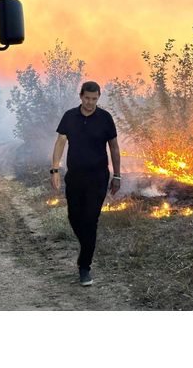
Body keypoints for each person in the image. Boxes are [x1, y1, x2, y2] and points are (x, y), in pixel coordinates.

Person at [51, 81, 121, 286]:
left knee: (91, 220)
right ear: (81, 96)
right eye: (87, 98)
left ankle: (84, 267)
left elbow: (114, 148)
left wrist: (117, 175)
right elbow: (60, 143)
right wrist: (54, 169)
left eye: (94, 99)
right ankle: (87, 247)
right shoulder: (70, 116)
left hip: (98, 177)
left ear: (98, 98)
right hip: (75, 177)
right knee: (74, 217)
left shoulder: (105, 118)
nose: (90, 103)